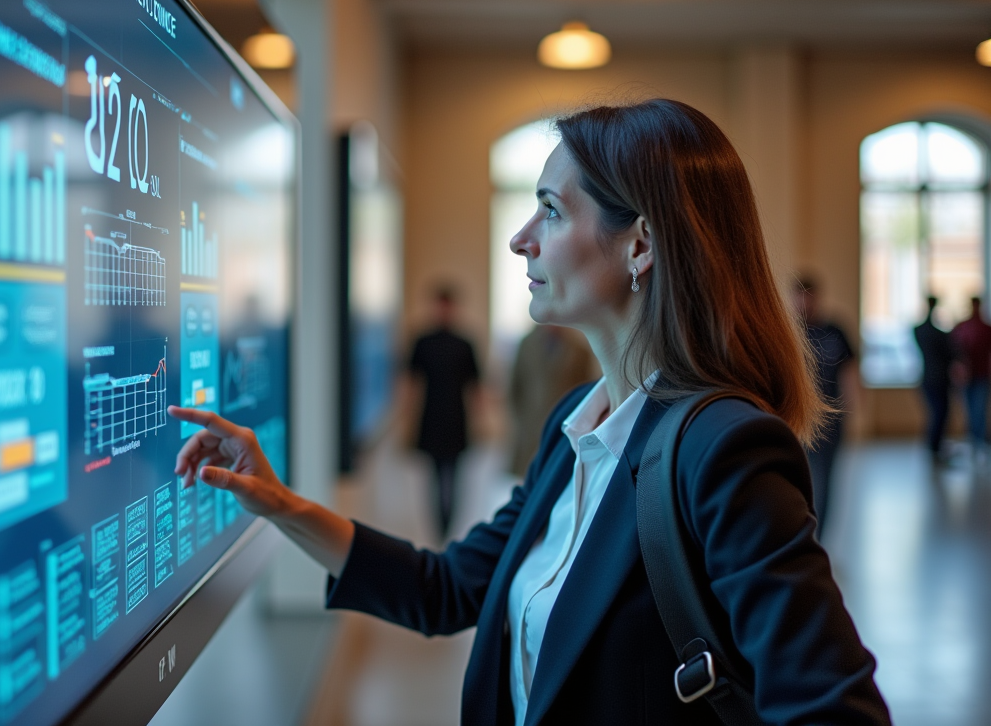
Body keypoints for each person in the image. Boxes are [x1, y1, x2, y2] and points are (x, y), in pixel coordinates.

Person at [168, 99, 890, 725]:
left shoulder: (725, 449)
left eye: (550, 209)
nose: (521, 239)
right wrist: (279, 504)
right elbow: (447, 589)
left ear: (640, 244)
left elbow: (831, 708)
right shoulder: (577, 422)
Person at [406, 284, 481, 537]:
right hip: (431, 416)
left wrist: (479, 423)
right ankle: (439, 526)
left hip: (456, 417)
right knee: (434, 476)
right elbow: (410, 384)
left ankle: (448, 524)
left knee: (455, 475)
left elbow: (475, 387)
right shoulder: (422, 341)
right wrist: (407, 421)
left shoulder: (464, 343)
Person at [793, 275, 856, 535]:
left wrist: (855, 411)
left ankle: (819, 540)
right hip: (795, 418)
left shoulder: (835, 331)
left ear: (817, 297)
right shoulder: (788, 331)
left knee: (824, 482)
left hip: (830, 420)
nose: (805, 301)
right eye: (800, 295)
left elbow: (850, 371)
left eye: (810, 295)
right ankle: (798, 537)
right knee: (795, 481)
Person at [508, 324, 598, 477]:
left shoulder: (578, 349)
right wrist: (519, 417)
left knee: (559, 473)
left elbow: (586, 390)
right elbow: (515, 385)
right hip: (531, 422)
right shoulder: (527, 344)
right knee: (529, 474)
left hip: (565, 422)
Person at [914, 296, 955, 465]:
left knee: (937, 414)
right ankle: (934, 447)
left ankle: (934, 447)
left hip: (928, 378)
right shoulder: (936, 333)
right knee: (940, 414)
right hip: (938, 378)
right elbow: (950, 353)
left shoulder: (919, 330)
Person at [951, 296, 991, 455]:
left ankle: (979, 442)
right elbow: (954, 351)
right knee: (969, 410)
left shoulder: (986, 328)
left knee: (979, 410)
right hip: (966, 377)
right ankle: (974, 441)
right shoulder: (961, 327)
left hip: (982, 375)